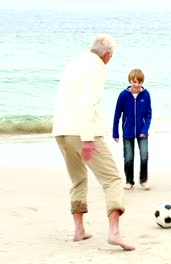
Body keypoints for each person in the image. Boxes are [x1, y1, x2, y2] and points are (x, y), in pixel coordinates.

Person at [52, 34, 135, 250]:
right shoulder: (97, 69)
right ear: (107, 55)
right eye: (111, 56)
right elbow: (87, 103)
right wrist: (88, 139)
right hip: (82, 131)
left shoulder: (73, 64)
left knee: (78, 179)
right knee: (113, 180)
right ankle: (114, 232)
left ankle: (79, 230)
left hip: (61, 130)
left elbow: (65, 98)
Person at [112, 68, 152, 190]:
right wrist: (115, 132)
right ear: (130, 81)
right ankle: (129, 181)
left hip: (142, 132)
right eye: (134, 82)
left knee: (144, 155)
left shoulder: (146, 94)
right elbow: (117, 114)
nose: (136, 85)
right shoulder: (123, 95)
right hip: (127, 131)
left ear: (142, 82)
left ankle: (143, 180)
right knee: (128, 157)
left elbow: (149, 114)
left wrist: (145, 130)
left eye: (139, 82)